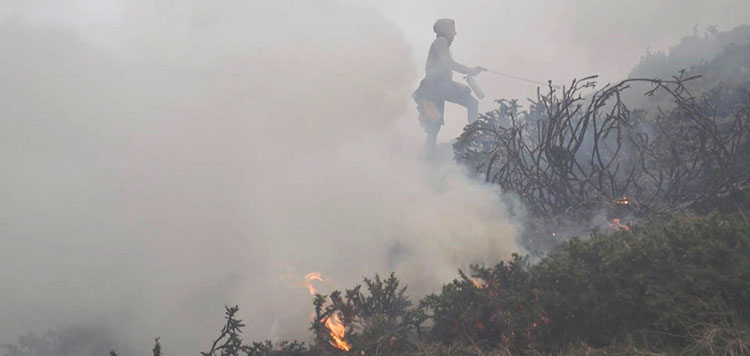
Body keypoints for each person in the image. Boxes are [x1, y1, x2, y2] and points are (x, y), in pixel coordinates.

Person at [412, 18, 485, 154]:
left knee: (434, 128)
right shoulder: (441, 41)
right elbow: (448, 63)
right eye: (453, 29)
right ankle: (473, 137)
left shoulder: (441, 43)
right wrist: (470, 70)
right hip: (436, 86)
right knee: (472, 103)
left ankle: (427, 157)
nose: (455, 33)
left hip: (434, 88)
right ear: (445, 30)